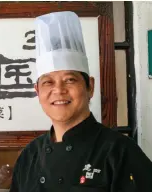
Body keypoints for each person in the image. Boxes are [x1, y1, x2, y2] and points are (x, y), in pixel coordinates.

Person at [9, 11, 152, 192]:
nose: (59, 90)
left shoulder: (119, 151)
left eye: (70, 80)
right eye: (48, 82)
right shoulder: (29, 156)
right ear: (38, 91)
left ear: (90, 87)